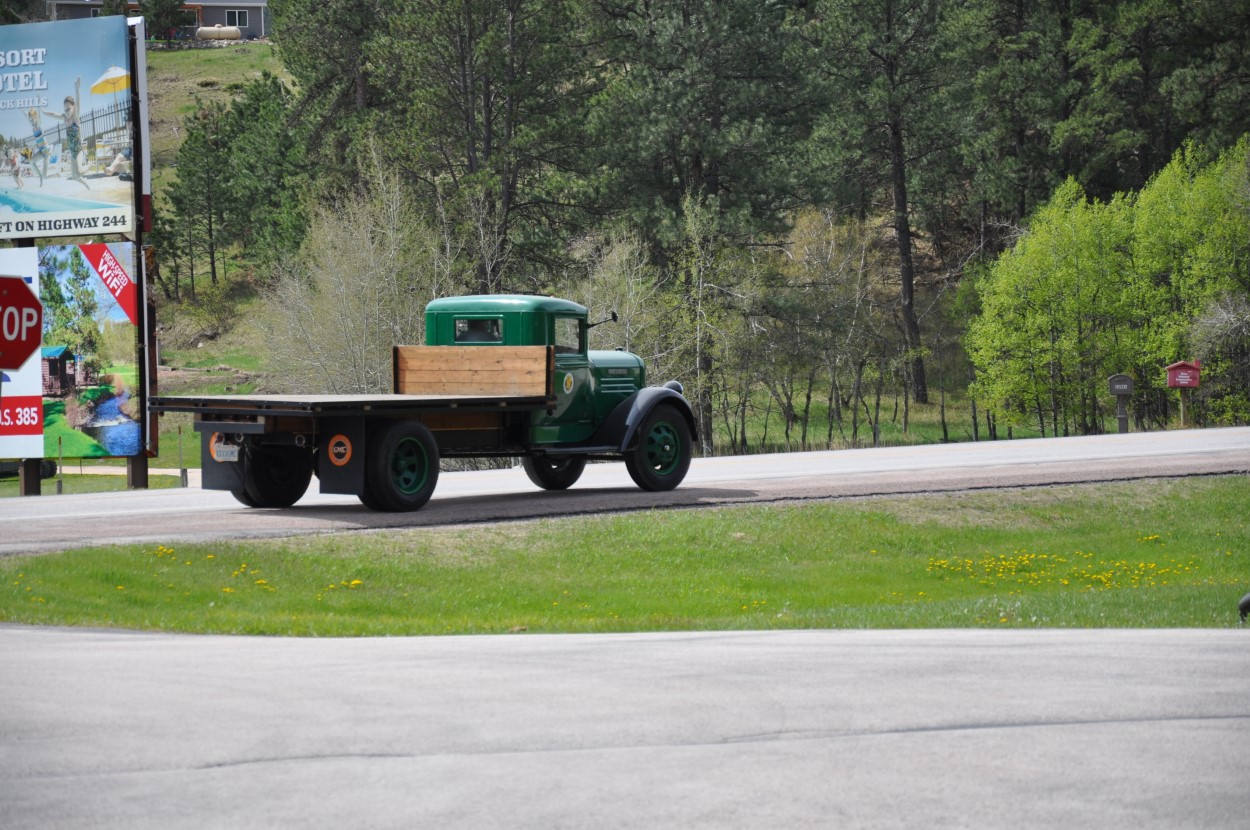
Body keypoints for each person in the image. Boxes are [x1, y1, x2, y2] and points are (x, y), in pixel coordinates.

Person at [45, 78, 88, 189]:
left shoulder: (75, 117)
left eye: (68, 109)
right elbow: (54, 114)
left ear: (74, 108)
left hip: (78, 150)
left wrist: (77, 89)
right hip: (72, 151)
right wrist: (45, 112)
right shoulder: (65, 118)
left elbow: (78, 101)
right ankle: (85, 184)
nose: (67, 112)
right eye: (65, 110)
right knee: (74, 176)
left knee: (79, 169)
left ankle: (88, 166)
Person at [25, 109, 48, 186]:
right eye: (30, 119)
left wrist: (39, 104)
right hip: (41, 151)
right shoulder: (33, 128)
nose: (31, 121)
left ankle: (54, 175)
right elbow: (27, 118)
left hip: (46, 151)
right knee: (31, 161)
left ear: (36, 117)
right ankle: (40, 176)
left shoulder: (38, 124)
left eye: (32, 118)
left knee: (45, 175)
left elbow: (39, 117)